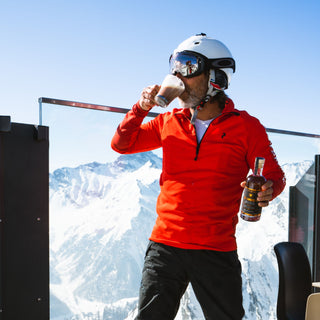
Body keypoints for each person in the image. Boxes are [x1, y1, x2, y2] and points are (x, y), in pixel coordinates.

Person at [111, 33, 286, 320]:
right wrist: (141, 108)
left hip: (215, 247)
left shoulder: (247, 128)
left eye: (188, 66)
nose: (178, 76)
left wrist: (268, 188)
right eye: (175, 66)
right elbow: (122, 144)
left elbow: (275, 176)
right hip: (165, 246)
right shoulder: (169, 121)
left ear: (216, 76)